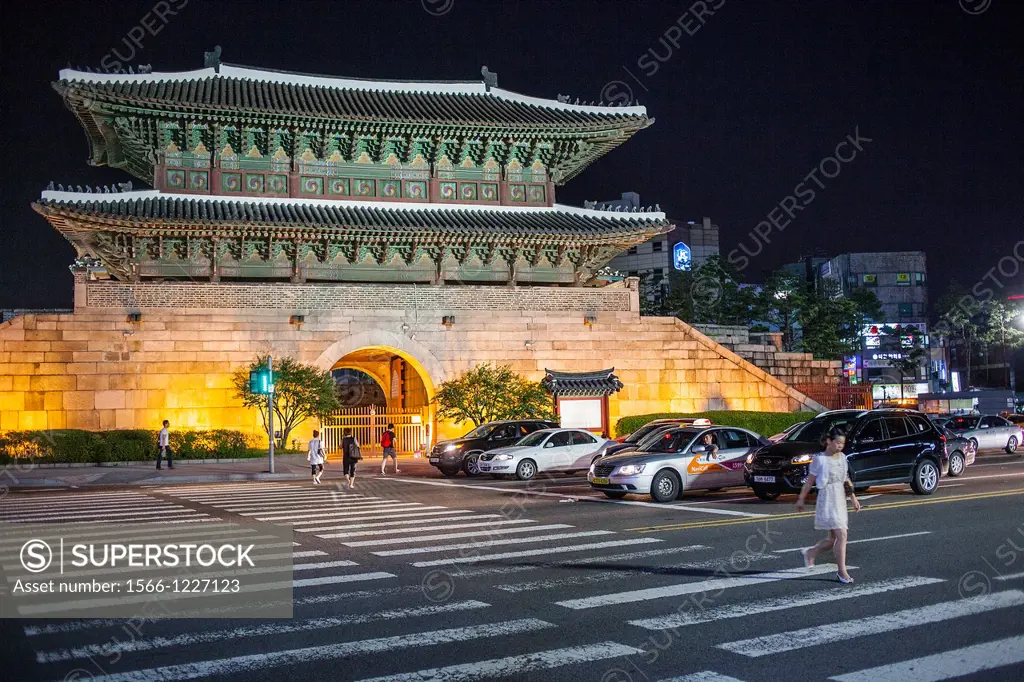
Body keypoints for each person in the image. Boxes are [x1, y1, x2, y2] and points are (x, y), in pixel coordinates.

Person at [795, 426, 862, 584]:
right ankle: (842, 572)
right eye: (837, 442)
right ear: (828, 441)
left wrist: (853, 498)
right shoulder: (820, 459)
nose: (840, 446)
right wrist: (801, 499)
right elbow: (810, 481)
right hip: (827, 499)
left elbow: (845, 479)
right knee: (842, 535)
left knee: (833, 539)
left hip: (840, 498)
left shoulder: (842, 458)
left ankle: (811, 552)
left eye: (842, 444)